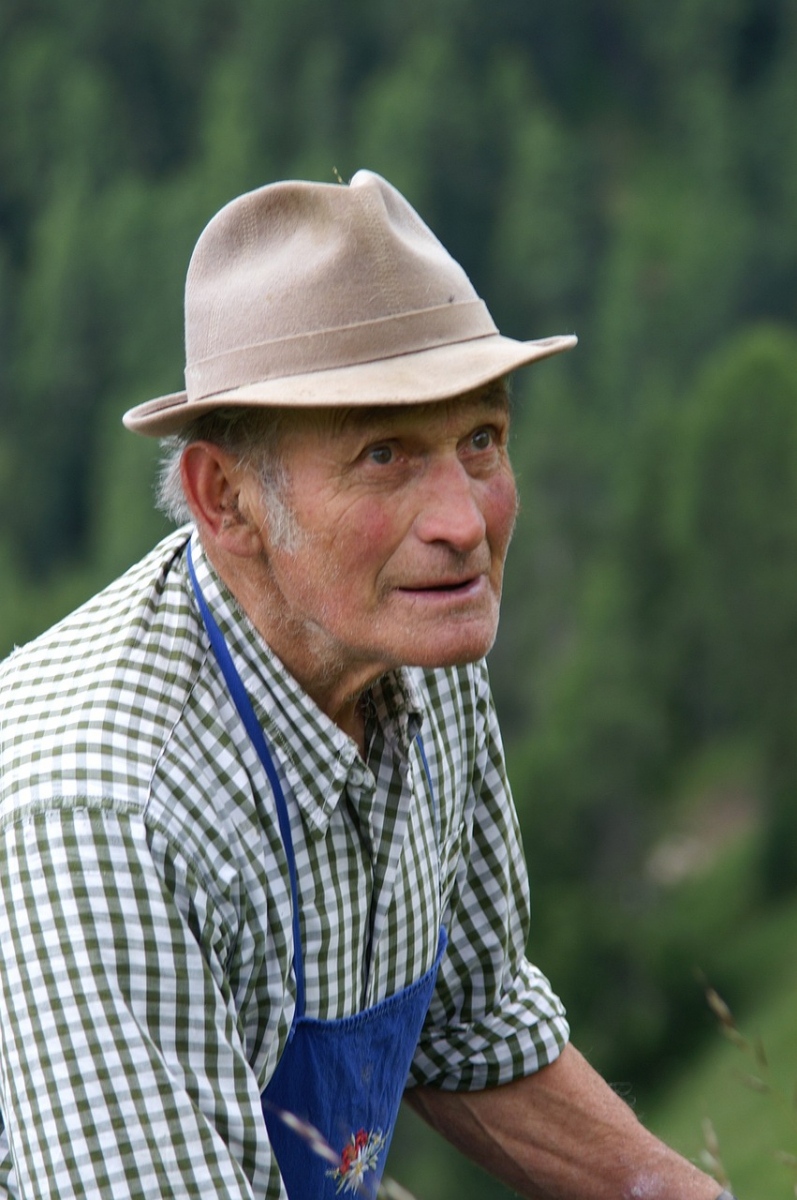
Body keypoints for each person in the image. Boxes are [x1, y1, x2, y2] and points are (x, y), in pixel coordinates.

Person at [0, 170, 731, 1200]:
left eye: (479, 440)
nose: (463, 525)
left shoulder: (411, 644)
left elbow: (471, 1029)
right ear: (225, 498)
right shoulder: (108, 807)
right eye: (384, 455)